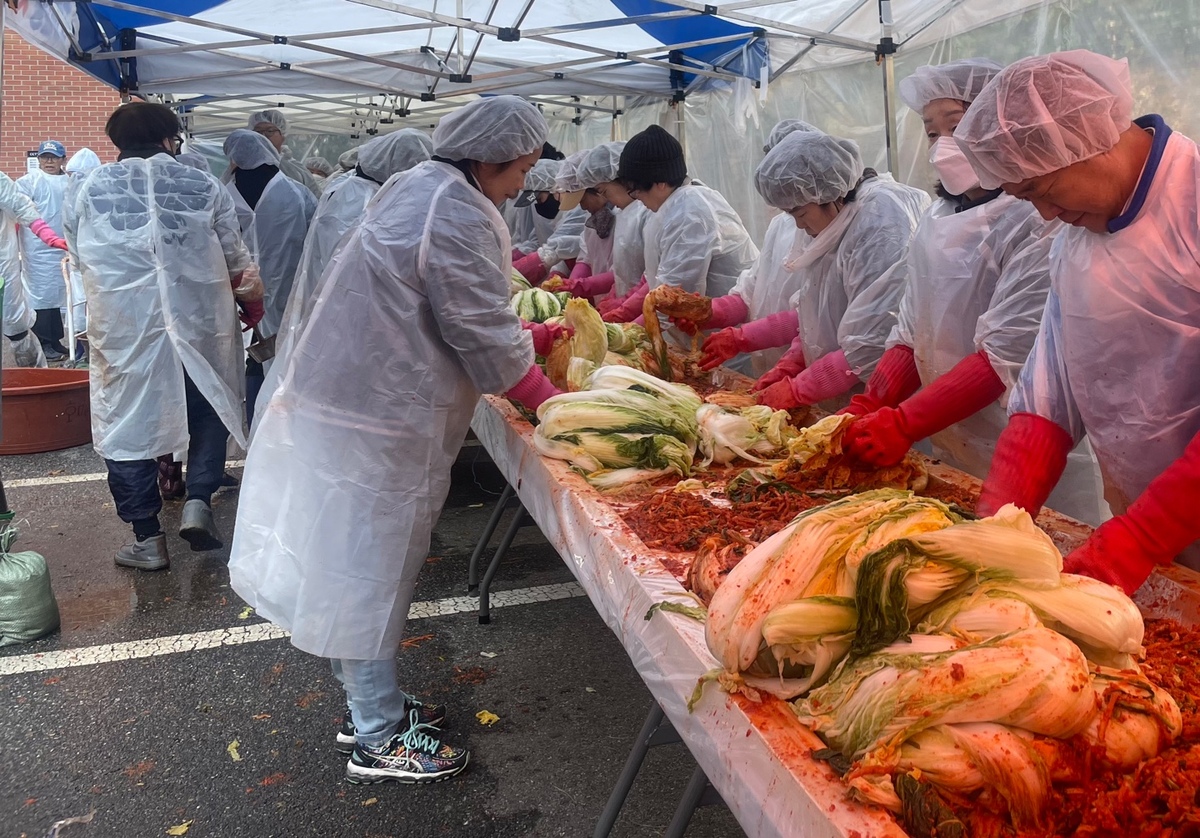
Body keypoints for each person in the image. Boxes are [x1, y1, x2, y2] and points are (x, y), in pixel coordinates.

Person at [228, 96, 559, 785]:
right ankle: (378, 738)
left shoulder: (424, 186)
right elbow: (481, 333)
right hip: (371, 416)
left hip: (358, 402)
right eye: (522, 169)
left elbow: (463, 310)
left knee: (361, 569)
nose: (522, 183)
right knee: (365, 573)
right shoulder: (458, 207)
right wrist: (552, 405)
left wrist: (532, 342)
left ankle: (372, 704)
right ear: (489, 158)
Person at [952, 50, 1200, 593]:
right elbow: (1053, 387)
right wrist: (996, 523)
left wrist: (1140, 537)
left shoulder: (1193, 201)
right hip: (1156, 530)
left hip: (1161, 524)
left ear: (1083, 143)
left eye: (1039, 190)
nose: (1043, 213)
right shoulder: (1074, 245)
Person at [837, 59, 1104, 525]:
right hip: (954, 437)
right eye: (931, 132)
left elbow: (1007, 353)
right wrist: (872, 403)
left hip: (1029, 451)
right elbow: (911, 327)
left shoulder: (1035, 214)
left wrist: (905, 422)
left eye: (956, 126)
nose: (943, 146)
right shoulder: (937, 217)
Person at [64, 101, 263, 571]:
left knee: (126, 425)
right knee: (208, 405)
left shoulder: (89, 188)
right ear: (169, 137)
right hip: (200, 320)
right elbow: (236, 256)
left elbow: (78, 251)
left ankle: (147, 538)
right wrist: (253, 304)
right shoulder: (201, 183)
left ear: (117, 140)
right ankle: (198, 500)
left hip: (126, 328)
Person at [700, 131, 928, 411]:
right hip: (844, 389)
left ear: (825, 192)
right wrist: (792, 363)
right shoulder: (833, 224)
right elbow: (817, 317)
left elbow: (872, 343)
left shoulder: (880, 221)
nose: (797, 226)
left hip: (885, 400)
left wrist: (799, 389)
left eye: (800, 214)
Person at [257, 128, 434, 415]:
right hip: (345, 329)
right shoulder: (361, 203)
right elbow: (364, 277)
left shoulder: (351, 189)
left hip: (332, 324)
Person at [659, 119, 823, 374]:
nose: (795, 217)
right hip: (776, 368)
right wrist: (707, 313)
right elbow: (751, 290)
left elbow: (813, 319)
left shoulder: (828, 231)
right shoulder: (781, 224)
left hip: (817, 374)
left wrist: (742, 337)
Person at [605, 125, 758, 330]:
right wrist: (623, 314)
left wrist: (626, 333)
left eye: (637, 191)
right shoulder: (668, 207)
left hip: (723, 335)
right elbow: (656, 280)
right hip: (696, 333)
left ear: (660, 182)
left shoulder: (690, 214)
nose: (637, 199)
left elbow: (674, 298)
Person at [223, 129, 317, 427]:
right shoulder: (295, 191)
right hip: (289, 289)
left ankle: (253, 424)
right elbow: (316, 239)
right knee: (286, 358)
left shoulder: (223, 193)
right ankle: (283, 425)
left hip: (237, 295)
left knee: (249, 359)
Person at [0, 170, 68, 368]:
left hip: (2, 263)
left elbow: (19, 206)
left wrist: (47, 234)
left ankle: (32, 373)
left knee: (15, 323)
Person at [581, 143, 651, 317]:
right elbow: (622, 271)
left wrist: (624, 308)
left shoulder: (647, 212)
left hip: (649, 311)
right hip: (634, 311)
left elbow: (654, 276)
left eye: (605, 191)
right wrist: (615, 298)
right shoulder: (623, 213)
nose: (606, 199)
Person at [17, 140, 71, 360]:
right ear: (38, 159)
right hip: (37, 249)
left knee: (59, 295)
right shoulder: (28, 182)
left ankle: (55, 340)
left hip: (63, 246)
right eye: (45, 157)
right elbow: (19, 210)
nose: (49, 161)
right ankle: (43, 342)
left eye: (54, 157)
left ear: (62, 159)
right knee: (41, 296)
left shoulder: (71, 182)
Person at [509, 158, 588, 282]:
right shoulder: (546, 210)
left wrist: (514, 272)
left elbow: (563, 246)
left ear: (555, 189)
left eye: (540, 199)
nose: (538, 205)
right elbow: (537, 239)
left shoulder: (579, 210)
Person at [62, 148, 102, 362]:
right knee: (87, 309)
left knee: (84, 309)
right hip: (99, 261)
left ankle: (83, 353)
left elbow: (71, 226)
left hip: (86, 261)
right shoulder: (104, 188)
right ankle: (85, 352)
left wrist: (76, 259)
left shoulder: (77, 192)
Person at [246, 109, 322, 197]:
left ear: (283, 135)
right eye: (258, 132)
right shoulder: (242, 167)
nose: (263, 136)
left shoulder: (296, 170)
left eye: (270, 131)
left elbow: (316, 201)